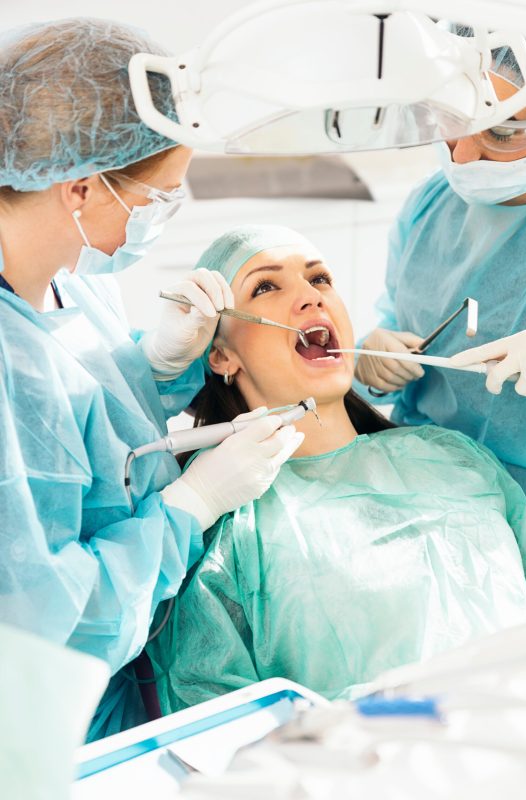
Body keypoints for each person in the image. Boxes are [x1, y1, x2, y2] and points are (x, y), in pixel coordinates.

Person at [146, 225, 526, 713]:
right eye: (266, 286)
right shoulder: (227, 526)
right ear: (221, 355)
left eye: (319, 279)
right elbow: (216, 725)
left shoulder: (456, 460)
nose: (309, 298)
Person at [0, 19, 302, 741]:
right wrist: (191, 507)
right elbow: (41, 627)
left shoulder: (70, 275)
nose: (168, 209)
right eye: (160, 193)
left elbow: (87, 415)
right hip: (45, 726)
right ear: (79, 187)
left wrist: (156, 365)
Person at [355, 32, 526, 589]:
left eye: (501, 133)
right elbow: (398, 312)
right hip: (424, 491)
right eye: (454, 122)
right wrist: (375, 354)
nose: (463, 155)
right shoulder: (428, 205)